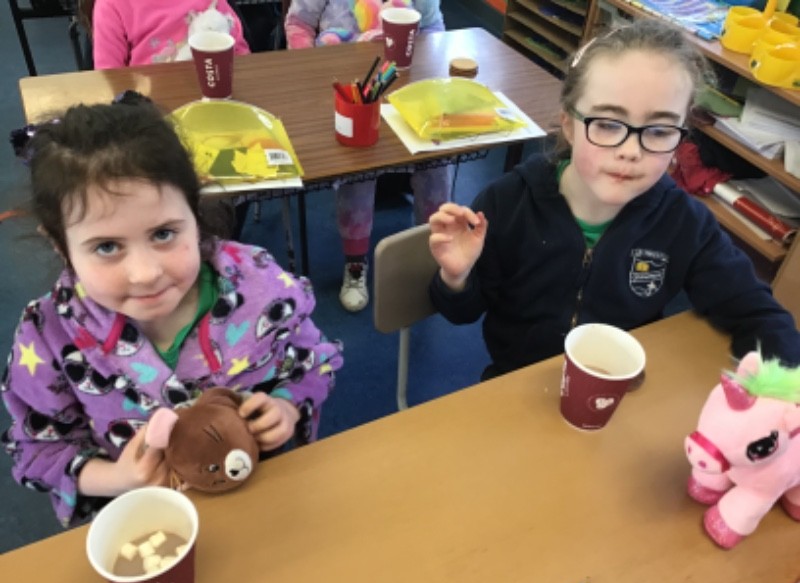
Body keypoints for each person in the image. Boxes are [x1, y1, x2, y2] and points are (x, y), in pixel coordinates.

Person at [0, 100, 343, 527]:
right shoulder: (48, 335)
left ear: (194, 214)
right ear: (60, 244)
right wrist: (118, 478)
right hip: (148, 523)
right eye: (107, 246)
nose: (145, 274)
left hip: (263, 497)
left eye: (163, 233)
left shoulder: (260, 285)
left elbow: (314, 361)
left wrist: (287, 407)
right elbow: (37, 449)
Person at [428, 18, 800, 380]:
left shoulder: (684, 223)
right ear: (569, 125)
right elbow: (462, 312)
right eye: (607, 124)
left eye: (658, 131)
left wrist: (782, 391)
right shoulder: (508, 203)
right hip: (516, 384)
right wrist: (456, 278)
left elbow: (759, 314)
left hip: (625, 391)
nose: (631, 151)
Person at [285, 0, 453, 312]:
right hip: (345, 89)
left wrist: (425, 61)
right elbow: (299, 24)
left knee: (435, 157)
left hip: (404, 86)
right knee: (358, 166)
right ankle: (355, 262)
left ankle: (433, 252)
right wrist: (311, 68)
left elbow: (434, 29)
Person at [82, 0, 250, 69]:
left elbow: (240, 53)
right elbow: (110, 75)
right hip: (148, 109)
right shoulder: (110, 5)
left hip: (212, 92)